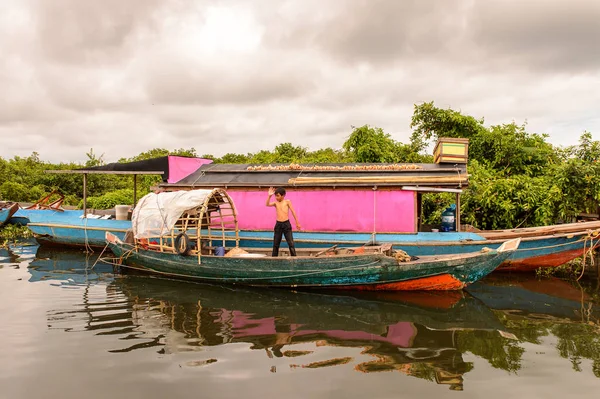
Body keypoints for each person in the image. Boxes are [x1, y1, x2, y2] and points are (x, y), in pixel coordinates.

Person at [266, 187, 301, 257]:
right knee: (276, 243)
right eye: (275, 196)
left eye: (278, 196)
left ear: (283, 195)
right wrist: (269, 196)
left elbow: (293, 211)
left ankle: (294, 257)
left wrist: (297, 222)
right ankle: (274, 259)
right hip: (278, 224)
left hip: (286, 224)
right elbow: (267, 204)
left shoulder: (287, 202)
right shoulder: (275, 203)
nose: (276, 197)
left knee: (290, 243)